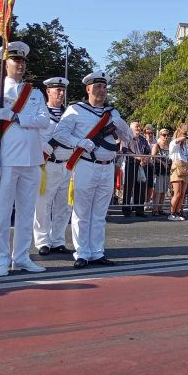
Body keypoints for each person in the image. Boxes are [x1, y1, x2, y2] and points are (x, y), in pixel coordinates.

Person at [0, 41, 50, 277]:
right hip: (7, 160)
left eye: (23, 60)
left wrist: (16, 116)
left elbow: (45, 121)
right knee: (2, 213)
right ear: (5, 63)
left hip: (32, 160)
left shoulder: (34, 93)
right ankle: (1, 259)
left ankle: (21, 257)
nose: (20, 64)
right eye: (15, 60)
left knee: (26, 213)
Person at [53, 71, 131, 268]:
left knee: (99, 213)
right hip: (86, 165)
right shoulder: (75, 110)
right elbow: (60, 133)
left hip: (107, 167)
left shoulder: (112, 113)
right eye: (97, 87)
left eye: (104, 87)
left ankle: (97, 252)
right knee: (82, 212)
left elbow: (129, 138)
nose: (102, 91)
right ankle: (82, 253)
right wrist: (79, 142)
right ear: (88, 89)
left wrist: (121, 124)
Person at [33, 77, 74, 256]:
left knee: (64, 206)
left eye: (62, 90)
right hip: (47, 164)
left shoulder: (70, 115)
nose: (60, 93)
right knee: (43, 205)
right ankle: (42, 241)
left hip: (67, 164)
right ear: (48, 92)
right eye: (57, 90)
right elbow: (34, 136)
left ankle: (58, 240)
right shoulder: (40, 113)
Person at [121, 122, 150, 218]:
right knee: (129, 187)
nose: (138, 128)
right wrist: (137, 157)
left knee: (141, 187)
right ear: (131, 128)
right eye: (136, 126)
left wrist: (145, 158)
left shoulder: (142, 139)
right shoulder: (127, 137)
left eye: (139, 126)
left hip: (142, 165)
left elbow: (147, 150)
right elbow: (125, 150)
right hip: (131, 163)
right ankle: (126, 209)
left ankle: (139, 210)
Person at [168, 123, 188, 221]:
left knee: (182, 193)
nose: (184, 138)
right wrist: (185, 136)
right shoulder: (174, 144)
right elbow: (176, 141)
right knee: (177, 193)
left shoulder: (185, 148)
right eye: (183, 135)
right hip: (177, 169)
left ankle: (177, 212)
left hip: (185, 169)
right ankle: (172, 213)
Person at [151, 128, 171, 216]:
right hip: (159, 171)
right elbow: (153, 156)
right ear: (160, 135)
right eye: (164, 135)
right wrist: (161, 162)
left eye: (167, 135)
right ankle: (155, 209)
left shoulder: (169, 146)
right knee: (158, 190)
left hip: (167, 170)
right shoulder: (157, 145)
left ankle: (160, 208)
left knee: (164, 191)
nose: (166, 137)